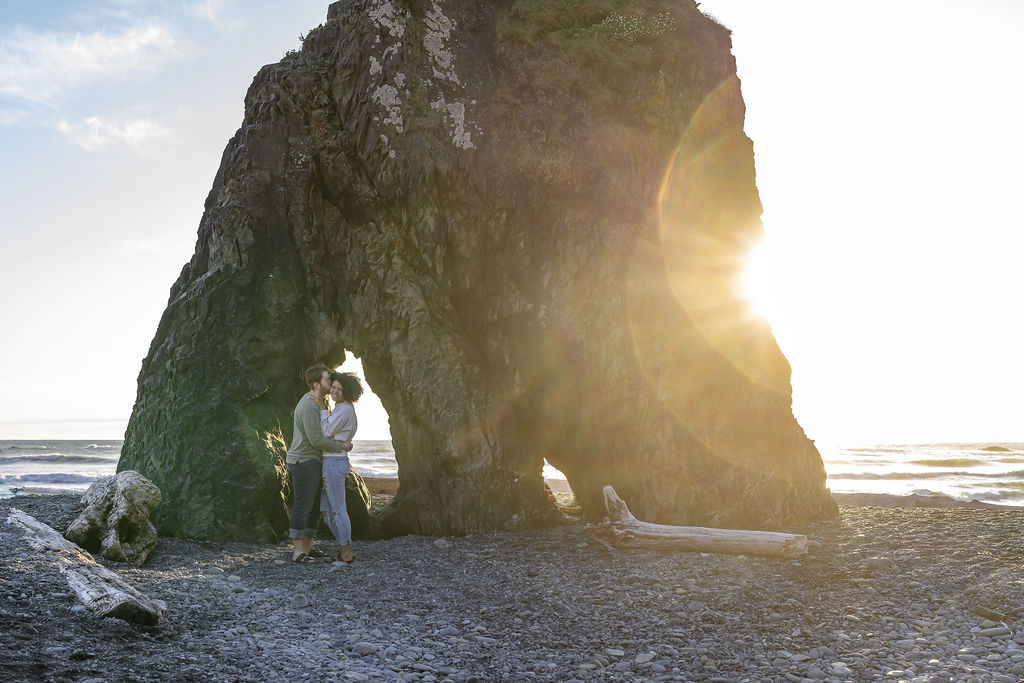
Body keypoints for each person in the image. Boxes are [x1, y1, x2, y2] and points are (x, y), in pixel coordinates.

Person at [285, 364, 352, 563]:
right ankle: (298, 553)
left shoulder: (319, 402)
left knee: (314, 507)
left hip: (313, 460)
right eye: (327, 380)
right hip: (303, 460)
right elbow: (315, 440)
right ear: (316, 384)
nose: (331, 383)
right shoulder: (309, 405)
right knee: (303, 505)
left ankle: (306, 548)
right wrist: (341, 446)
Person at [319, 371, 364, 563]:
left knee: (338, 510)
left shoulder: (344, 409)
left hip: (334, 462)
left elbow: (326, 431)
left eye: (340, 390)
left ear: (348, 392)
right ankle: (343, 548)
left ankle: (346, 552)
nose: (334, 392)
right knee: (326, 510)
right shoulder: (340, 408)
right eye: (333, 388)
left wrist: (321, 408)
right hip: (332, 461)